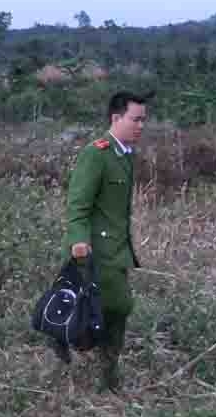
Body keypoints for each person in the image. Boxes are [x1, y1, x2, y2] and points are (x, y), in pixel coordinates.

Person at [60, 90, 153, 391]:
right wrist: (77, 240)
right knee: (119, 306)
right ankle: (69, 337)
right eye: (135, 119)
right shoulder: (96, 154)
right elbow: (78, 204)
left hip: (118, 249)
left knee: (112, 315)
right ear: (116, 118)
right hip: (95, 250)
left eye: (144, 120)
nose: (141, 126)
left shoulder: (125, 155)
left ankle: (108, 378)